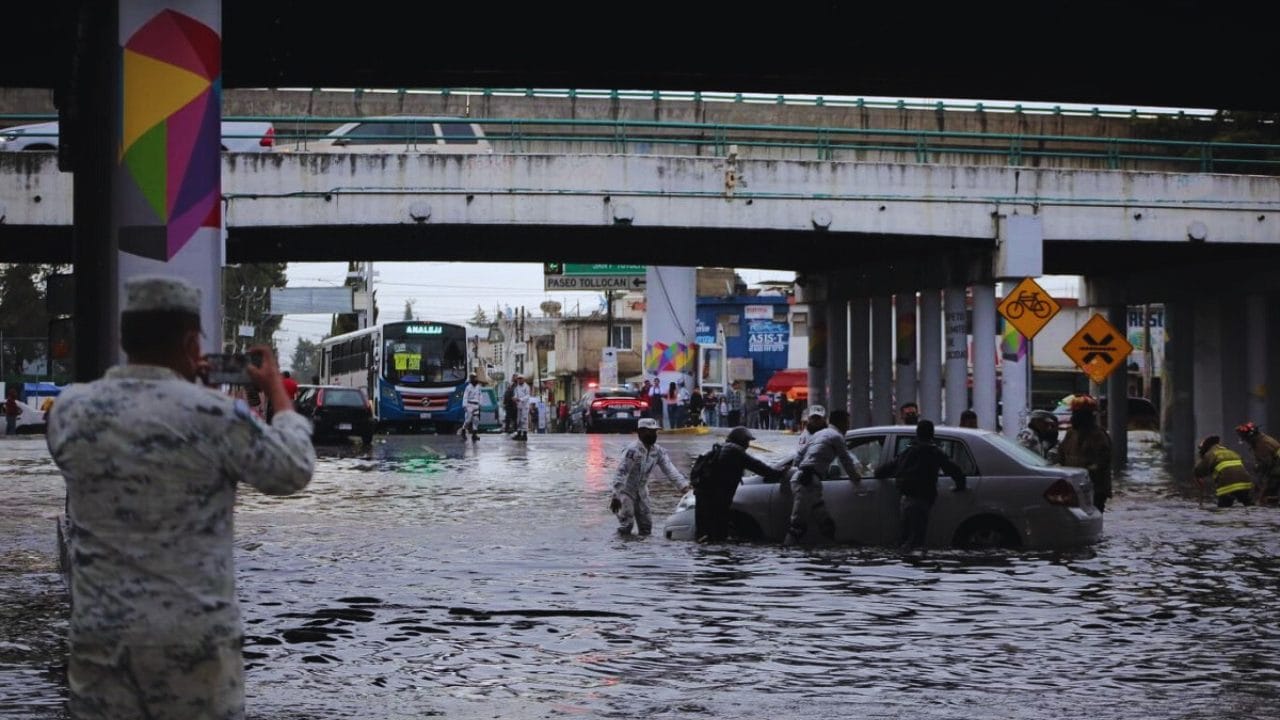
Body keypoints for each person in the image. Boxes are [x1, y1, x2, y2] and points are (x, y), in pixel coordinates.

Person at [45, 275, 316, 720]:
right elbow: (292, 469)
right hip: (194, 650)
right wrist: (276, 395)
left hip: (102, 648)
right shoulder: (215, 415)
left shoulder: (71, 411)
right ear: (192, 343)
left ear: (125, 338)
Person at [875, 419, 967, 550]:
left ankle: (903, 559)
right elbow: (954, 470)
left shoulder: (908, 451)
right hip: (922, 500)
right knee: (916, 541)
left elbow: (885, 469)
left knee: (904, 537)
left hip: (906, 499)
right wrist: (960, 485)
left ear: (917, 433)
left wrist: (878, 473)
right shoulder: (935, 452)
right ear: (932, 434)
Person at [785, 409, 864, 545]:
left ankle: (830, 548)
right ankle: (788, 552)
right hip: (806, 483)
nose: (848, 426)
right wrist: (856, 477)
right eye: (847, 423)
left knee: (825, 523)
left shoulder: (819, 434)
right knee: (797, 526)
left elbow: (799, 456)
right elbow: (846, 460)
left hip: (807, 481)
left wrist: (801, 468)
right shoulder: (836, 437)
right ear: (841, 423)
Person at [695, 426, 784, 542]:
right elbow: (757, 466)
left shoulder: (724, 448)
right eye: (747, 441)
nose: (748, 445)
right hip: (717, 497)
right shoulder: (735, 450)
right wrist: (778, 473)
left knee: (705, 532)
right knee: (717, 531)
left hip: (706, 495)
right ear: (741, 440)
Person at [609, 418, 690, 536]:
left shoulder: (657, 451)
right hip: (626, 492)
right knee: (627, 525)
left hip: (642, 492)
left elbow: (670, 470)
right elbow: (621, 473)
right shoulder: (632, 451)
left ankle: (642, 547)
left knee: (646, 528)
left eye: (654, 432)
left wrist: (684, 488)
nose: (653, 434)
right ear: (640, 432)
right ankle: (620, 545)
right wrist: (616, 496)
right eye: (649, 431)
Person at [1057, 394, 1112, 512]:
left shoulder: (1099, 436)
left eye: (1078, 414)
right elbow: (1061, 456)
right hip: (1073, 487)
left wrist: (1087, 471)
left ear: (1088, 416)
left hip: (1094, 489)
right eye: (1074, 413)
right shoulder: (1070, 433)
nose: (1074, 417)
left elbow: (1103, 462)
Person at [1194, 435, 1255, 507]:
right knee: (1248, 504)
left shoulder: (1210, 454)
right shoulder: (1231, 452)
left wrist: (1201, 458)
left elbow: (1198, 471)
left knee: (1223, 508)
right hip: (1245, 483)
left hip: (1227, 485)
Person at [1235, 421, 1280, 505]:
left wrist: (1259, 478)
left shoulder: (1261, 443)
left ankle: (1270, 508)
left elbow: (1266, 464)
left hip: (1277, 469)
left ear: (1250, 436)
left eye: (1245, 438)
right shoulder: (1260, 439)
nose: (1246, 441)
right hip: (1276, 467)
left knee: (1268, 494)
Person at [460, 373, 483, 442]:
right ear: (471, 379)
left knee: (476, 420)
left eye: (476, 378)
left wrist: (480, 403)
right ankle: (463, 430)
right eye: (474, 378)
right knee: (468, 420)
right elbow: (465, 397)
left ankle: (474, 434)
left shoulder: (478, 387)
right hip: (469, 405)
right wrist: (464, 405)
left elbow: (480, 395)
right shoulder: (468, 387)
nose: (476, 379)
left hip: (476, 405)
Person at [510, 373, 531, 441]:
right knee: (518, 420)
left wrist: (520, 399)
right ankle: (519, 433)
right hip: (519, 406)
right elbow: (516, 394)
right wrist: (514, 398)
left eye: (521, 379)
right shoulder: (517, 387)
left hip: (525, 406)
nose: (519, 380)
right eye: (518, 379)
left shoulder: (526, 387)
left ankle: (524, 434)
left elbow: (527, 396)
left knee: (524, 420)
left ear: (523, 379)